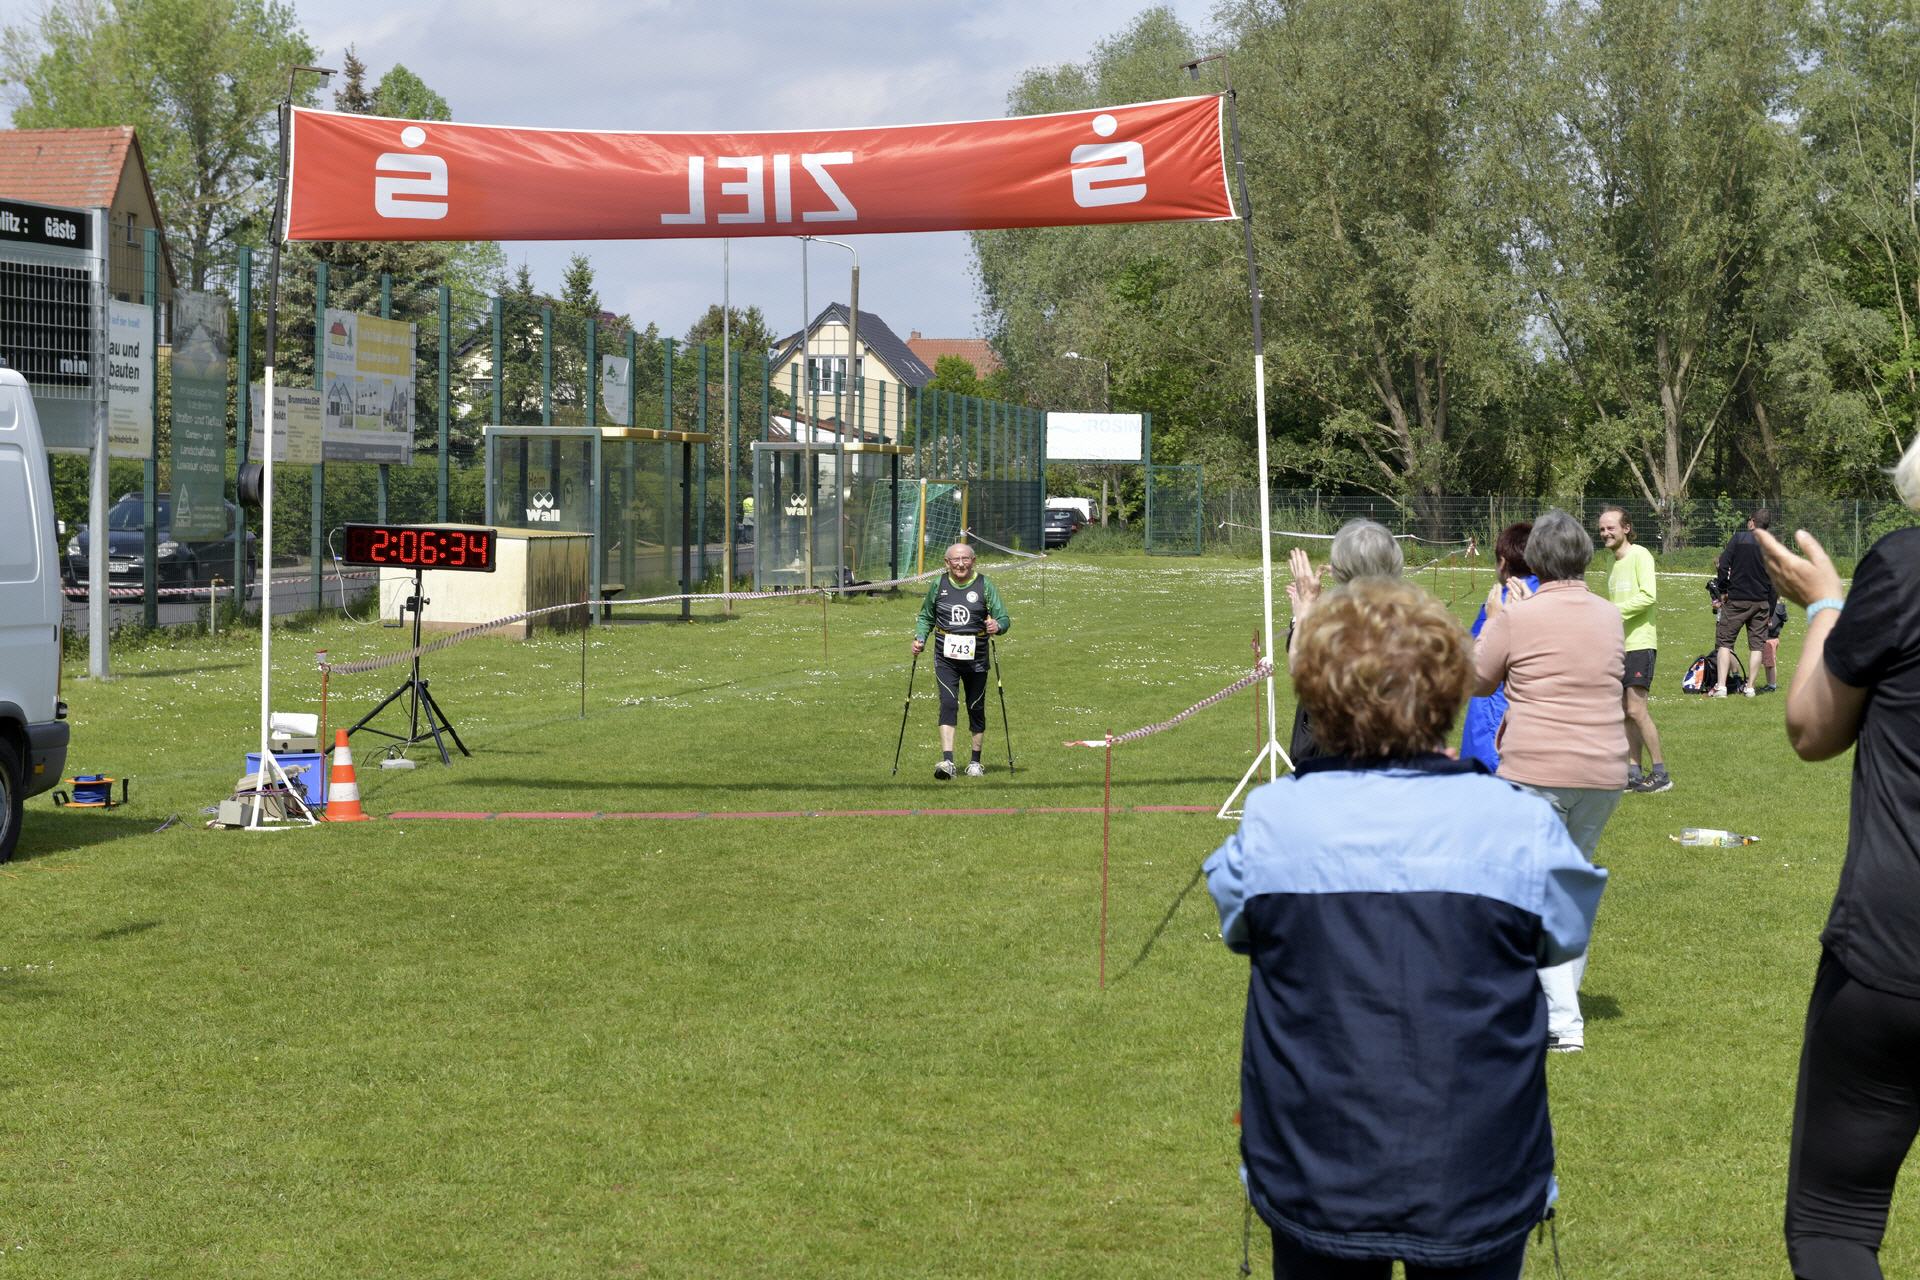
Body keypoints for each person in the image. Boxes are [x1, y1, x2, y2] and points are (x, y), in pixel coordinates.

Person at [1205, 578, 1606, 1280]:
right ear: (1449, 690)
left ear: (1319, 694)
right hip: (1474, 1173)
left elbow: (1239, 922)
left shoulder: (1274, 821)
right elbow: (1564, 933)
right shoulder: (1518, 823)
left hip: (1317, 1171)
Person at [1757, 433, 1920, 1280]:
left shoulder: (1905, 566)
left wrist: (1825, 605)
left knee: (1835, 1225)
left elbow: (1813, 729)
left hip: (1895, 956)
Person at [1473, 510, 1627, 1055]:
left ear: (1536, 559)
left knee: (1539, 893)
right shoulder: (1610, 615)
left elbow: (1476, 679)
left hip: (1538, 768)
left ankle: (1562, 1022)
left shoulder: (1518, 616)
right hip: (1604, 770)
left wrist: (1497, 618)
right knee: (1568, 889)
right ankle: (1556, 1006)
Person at [1283, 519, 1404, 765]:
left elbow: (1299, 666)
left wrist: (1306, 607)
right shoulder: (1412, 618)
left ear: (1340, 569)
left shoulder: (1343, 621)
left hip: (1342, 755)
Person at [910, 542, 1009, 779]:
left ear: (973, 561)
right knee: (948, 703)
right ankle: (948, 762)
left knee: (975, 706)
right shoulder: (939, 584)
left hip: (977, 658)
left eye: (966, 559)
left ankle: (975, 762)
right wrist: (920, 638)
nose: (961, 564)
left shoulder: (985, 585)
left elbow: (1004, 618)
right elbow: (926, 616)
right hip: (946, 658)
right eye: (955, 559)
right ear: (947, 563)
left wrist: (997, 625)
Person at [1598, 507, 1670, 792]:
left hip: (1640, 643)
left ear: (1626, 528)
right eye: (1602, 529)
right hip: (1619, 644)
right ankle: (1634, 771)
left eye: (1610, 528)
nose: (1605, 533)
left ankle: (1661, 772)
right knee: (1624, 710)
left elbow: (1648, 596)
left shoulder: (1640, 555)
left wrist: (1612, 611)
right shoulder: (1610, 562)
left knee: (1637, 710)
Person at [1460, 522, 1538, 771]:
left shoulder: (1499, 601)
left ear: (1502, 562)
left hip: (1495, 715)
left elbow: (1470, 659)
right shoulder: (1552, 594)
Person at [1712, 509, 1778, 698]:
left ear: (1753, 521)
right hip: (1761, 602)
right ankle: (1750, 688)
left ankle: (1721, 687)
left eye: (1749, 519)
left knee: (1725, 643)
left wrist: (1723, 590)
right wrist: (1770, 610)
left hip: (1736, 600)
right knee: (1756, 646)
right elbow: (1775, 581)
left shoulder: (1738, 539)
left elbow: (1723, 564)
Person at [1761, 600, 1788, 692]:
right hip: (1775, 638)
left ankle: (1772, 685)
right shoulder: (1780, 607)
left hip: (1769, 639)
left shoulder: (1771, 607)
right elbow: (1785, 618)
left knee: (1770, 664)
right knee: (1768, 663)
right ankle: (1770, 684)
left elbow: (1771, 625)